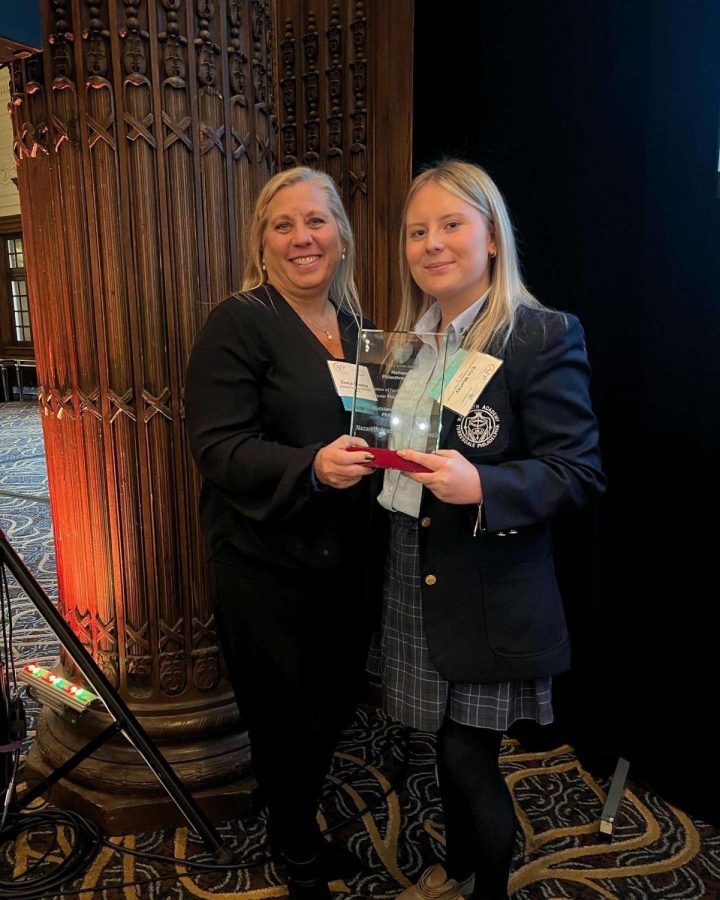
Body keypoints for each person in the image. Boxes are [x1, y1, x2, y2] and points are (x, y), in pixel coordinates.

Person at [371, 161, 606, 900]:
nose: (432, 244)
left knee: (468, 760)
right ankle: (457, 867)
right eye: (417, 231)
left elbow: (578, 471)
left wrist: (486, 486)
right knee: (443, 752)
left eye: (451, 225)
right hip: (414, 570)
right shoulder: (410, 345)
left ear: (493, 237)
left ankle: (487, 890)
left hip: (488, 590)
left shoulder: (539, 334)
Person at [185, 167, 377, 899]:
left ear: (342, 238)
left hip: (348, 556)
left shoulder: (361, 331)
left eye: (317, 222)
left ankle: (291, 807)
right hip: (266, 560)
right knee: (283, 710)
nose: (303, 237)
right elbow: (217, 445)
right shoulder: (239, 321)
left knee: (331, 699)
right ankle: (295, 846)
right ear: (262, 243)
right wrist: (311, 467)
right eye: (283, 224)